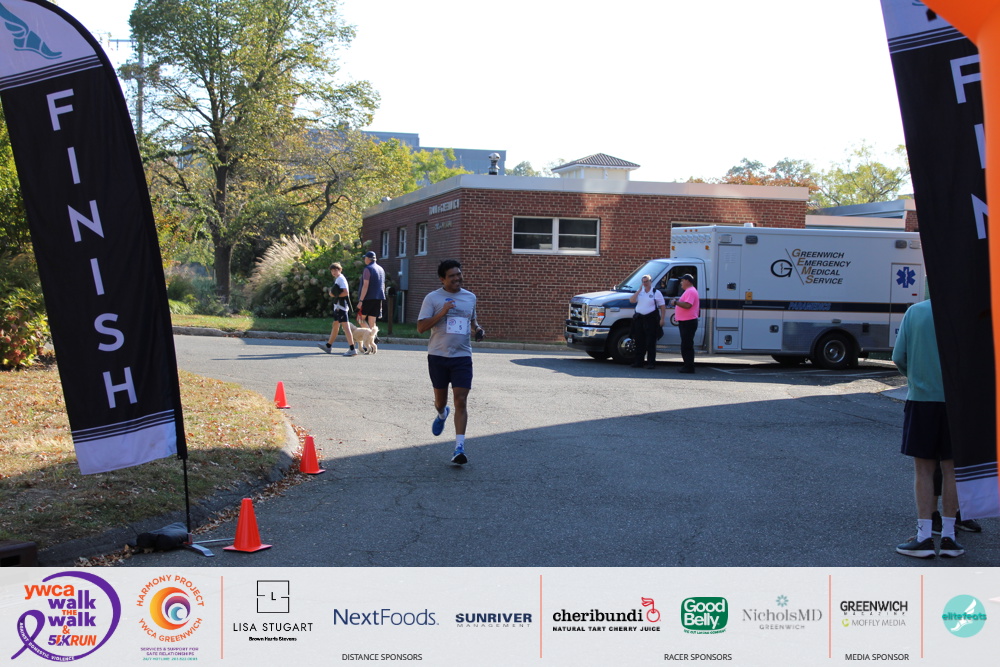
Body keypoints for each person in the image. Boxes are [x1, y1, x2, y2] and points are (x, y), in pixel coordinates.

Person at [892, 299, 964, 558]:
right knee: (952, 469)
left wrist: (915, 377)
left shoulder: (915, 312)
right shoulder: (966, 312)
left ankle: (924, 537)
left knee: (924, 469)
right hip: (958, 402)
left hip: (922, 400)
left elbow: (898, 357)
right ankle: (949, 536)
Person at [417, 259, 484, 465]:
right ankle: (441, 414)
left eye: (458, 274)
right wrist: (443, 312)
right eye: (452, 276)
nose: (457, 278)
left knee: (461, 400)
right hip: (438, 356)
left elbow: (471, 321)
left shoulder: (470, 297)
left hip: (462, 357)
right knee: (441, 402)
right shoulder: (433, 298)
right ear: (442, 279)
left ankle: (459, 448)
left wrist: (478, 329)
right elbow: (421, 328)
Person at [316, 262, 358, 357]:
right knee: (335, 325)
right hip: (338, 307)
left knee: (346, 328)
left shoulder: (341, 279)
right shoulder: (339, 279)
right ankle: (328, 346)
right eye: (332, 271)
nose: (334, 272)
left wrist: (333, 295)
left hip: (341, 307)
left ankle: (352, 349)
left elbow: (346, 293)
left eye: (336, 270)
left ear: (340, 270)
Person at [628, 274, 666, 369]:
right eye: (643, 282)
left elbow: (662, 306)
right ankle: (639, 362)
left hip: (651, 319)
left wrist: (662, 319)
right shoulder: (640, 292)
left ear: (650, 282)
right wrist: (639, 291)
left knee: (650, 342)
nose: (645, 283)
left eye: (646, 281)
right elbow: (632, 300)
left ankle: (651, 363)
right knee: (639, 341)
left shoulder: (656, 292)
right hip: (639, 319)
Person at [671, 273, 700, 373]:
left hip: (688, 322)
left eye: (682, 281)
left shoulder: (691, 291)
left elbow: (688, 305)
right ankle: (687, 365)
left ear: (688, 281)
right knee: (686, 344)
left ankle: (689, 367)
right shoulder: (689, 291)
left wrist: (675, 302)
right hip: (686, 321)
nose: (681, 283)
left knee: (687, 345)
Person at [357, 250, 386, 331]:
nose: (364, 260)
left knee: (360, 319)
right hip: (378, 298)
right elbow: (383, 285)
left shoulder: (368, 269)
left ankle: (370, 335)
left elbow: (365, 285)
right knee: (372, 321)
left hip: (368, 298)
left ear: (368, 259)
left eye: (365, 258)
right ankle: (373, 336)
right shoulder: (381, 269)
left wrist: (361, 301)